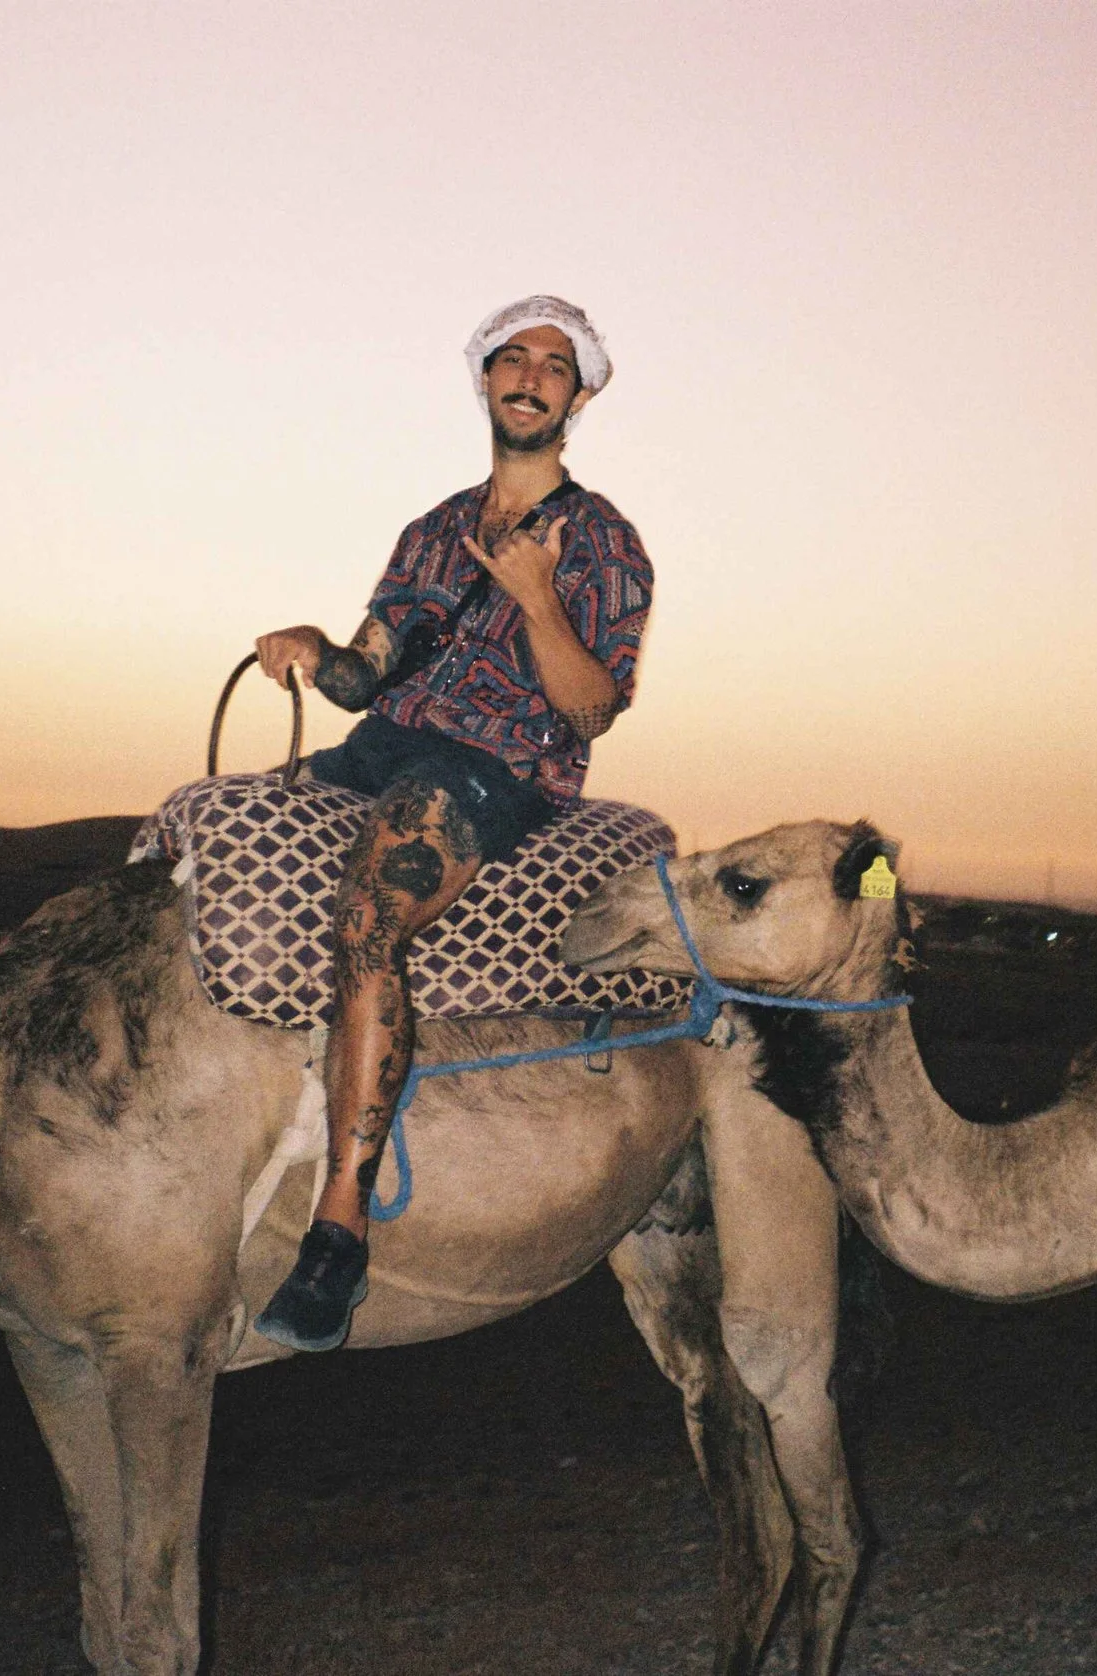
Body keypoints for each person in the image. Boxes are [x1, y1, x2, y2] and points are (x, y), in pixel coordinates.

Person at [249, 296, 652, 1350]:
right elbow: (364, 673)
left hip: (500, 764)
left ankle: (337, 1226)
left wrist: (537, 599)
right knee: (222, 827)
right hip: (387, 740)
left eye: (554, 364)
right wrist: (311, 646)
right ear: (485, 381)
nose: (529, 375)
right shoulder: (431, 530)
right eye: (511, 358)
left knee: (370, 909)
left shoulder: (602, 540)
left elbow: (593, 706)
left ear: (580, 395)